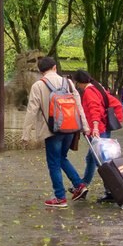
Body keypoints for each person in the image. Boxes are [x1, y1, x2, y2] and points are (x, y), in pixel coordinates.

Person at [23, 56, 89, 208]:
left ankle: (60, 197)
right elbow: (79, 107)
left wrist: (25, 134)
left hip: (52, 130)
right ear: (54, 67)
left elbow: (31, 111)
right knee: (62, 158)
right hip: (71, 128)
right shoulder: (69, 83)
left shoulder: (38, 85)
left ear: (41, 71)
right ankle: (79, 185)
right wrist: (85, 127)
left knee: (53, 162)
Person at [74, 70, 123, 203]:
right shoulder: (98, 87)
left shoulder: (89, 92)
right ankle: (83, 185)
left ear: (80, 82)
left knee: (101, 162)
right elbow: (113, 103)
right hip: (102, 128)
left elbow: (94, 109)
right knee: (91, 158)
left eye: (77, 83)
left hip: (97, 130)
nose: (77, 86)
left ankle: (111, 191)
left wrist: (95, 127)